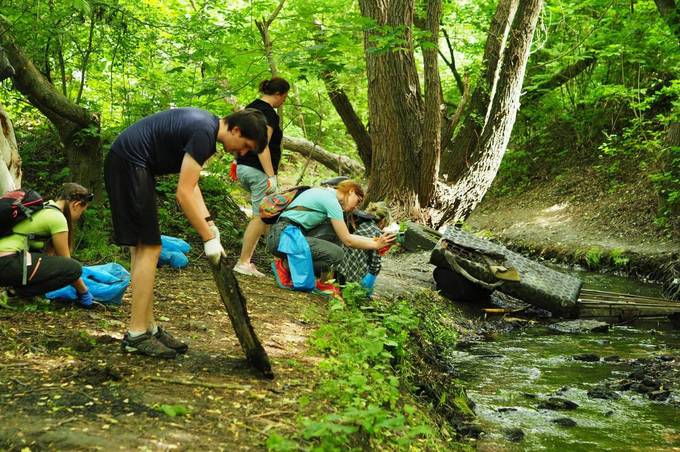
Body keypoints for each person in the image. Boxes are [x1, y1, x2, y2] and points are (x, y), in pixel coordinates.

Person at [104, 107, 268, 359]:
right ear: (235, 130)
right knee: (148, 248)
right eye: (245, 145)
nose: (242, 153)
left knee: (144, 249)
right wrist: (206, 238)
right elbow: (182, 193)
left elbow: (193, 187)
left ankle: (149, 328)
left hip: (133, 165)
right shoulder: (204, 132)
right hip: (129, 163)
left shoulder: (206, 129)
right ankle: (136, 334)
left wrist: (209, 224)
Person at [266, 180, 395, 292]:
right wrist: (376, 244)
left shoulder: (325, 193)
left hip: (284, 236)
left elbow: (345, 235)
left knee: (333, 234)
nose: (357, 206)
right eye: (358, 200)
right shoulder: (331, 201)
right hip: (284, 237)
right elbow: (348, 240)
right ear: (351, 191)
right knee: (337, 254)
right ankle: (285, 266)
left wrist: (375, 240)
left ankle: (319, 281)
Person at [0, 183, 94, 307]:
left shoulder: (45, 207)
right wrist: (84, 291)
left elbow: (47, 256)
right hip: (7, 263)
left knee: (50, 261)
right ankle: (14, 295)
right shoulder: (57, 218)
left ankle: (28, 295)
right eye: (82, 211)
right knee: (73, 269)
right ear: (76, 205)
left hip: (7, 262)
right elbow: (66, 262)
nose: (80, 216)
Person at [233, 77, 290, 277]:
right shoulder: (269, 115)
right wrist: (271, 176)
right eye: (285, 96)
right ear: (279, 94)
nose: (284, 100)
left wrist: (236, 161)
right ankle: (243, 262)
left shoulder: (249, 108)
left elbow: (238, 137)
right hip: (258, 170)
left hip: (243, 167)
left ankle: (279, 260)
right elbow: (261, 145)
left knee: (269, 216)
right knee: (260, 216)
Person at [336, 202, 393, 295]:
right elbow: (375, 262)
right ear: (383, 221)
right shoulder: (376, 232)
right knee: (374, 269)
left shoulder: (357, 223)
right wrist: (373, 275)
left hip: (340, 266)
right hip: (354, 271)